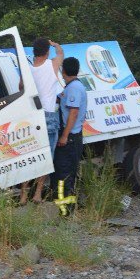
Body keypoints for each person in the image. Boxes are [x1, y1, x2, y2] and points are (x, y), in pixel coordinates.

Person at [20, 38, 64, 205]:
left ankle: (23, 195)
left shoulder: (28, 71)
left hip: (31, 116)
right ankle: (37, 194)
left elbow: (20, 88)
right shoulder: (52, 64)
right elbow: (61, 53)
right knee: (46, 157)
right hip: (48, 116)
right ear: (46, 52)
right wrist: (55, 44)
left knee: (29, 155)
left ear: (34, 52)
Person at [53, 57, 87, 216]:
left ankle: (65, 213)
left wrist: (64, 136)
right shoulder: (73, 86)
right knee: (68, 175)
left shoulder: (73, 88)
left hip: (70, 138)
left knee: (63, 176)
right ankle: (67, 210)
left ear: (63, 71)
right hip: (73, 137)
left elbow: (73, 113)